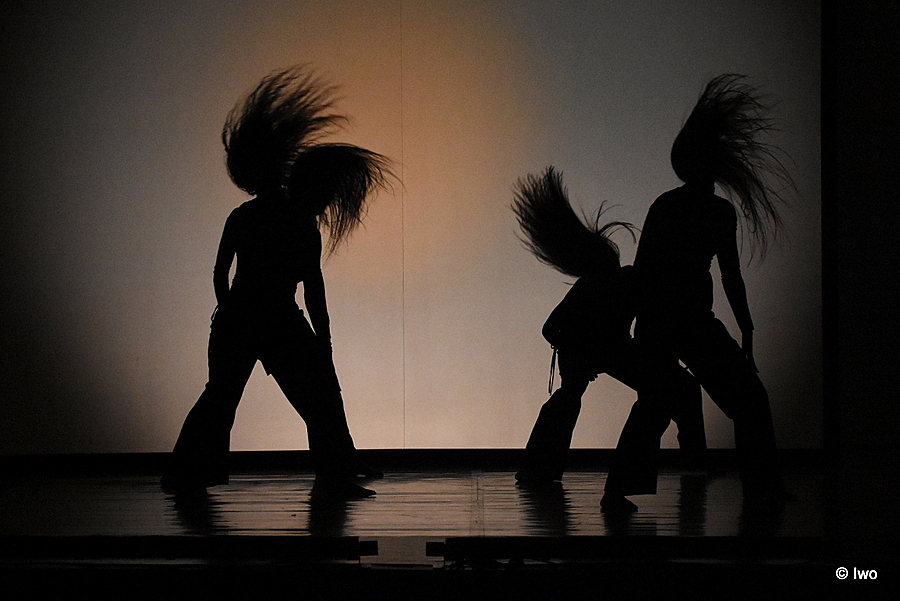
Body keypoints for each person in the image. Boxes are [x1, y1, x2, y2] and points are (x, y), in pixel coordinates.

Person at [162, 66, 390, 499]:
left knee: (226, 397)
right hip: (272, 322)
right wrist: (321, 339)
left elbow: (223, 274)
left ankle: (185, 472)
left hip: (255, 321)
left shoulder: (251, 217)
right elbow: (311, 289)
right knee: (295, 395)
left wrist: (230, 310)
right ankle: (333, 475)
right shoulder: (294, 225)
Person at [602, 74, 794, 509]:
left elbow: (653, 271)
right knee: (740, 399)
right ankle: (763, 490)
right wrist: (745, 330)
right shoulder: (708, 210)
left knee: (661, 403)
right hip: (680, 321)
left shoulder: (675, 206)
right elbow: (727, 277)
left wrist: (636, 325)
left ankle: (617, 492)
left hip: (670, 321)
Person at [512, 167, 705, 495]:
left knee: (672, 388)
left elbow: (554, 328)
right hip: (593, 350)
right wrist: (583, 350)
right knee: (570, 400)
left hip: (610, 348)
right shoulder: (593, 287)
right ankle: (537, 469)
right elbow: (551, 328)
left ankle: (694, 460)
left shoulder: (620, 282)